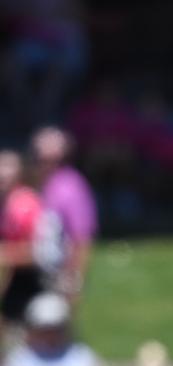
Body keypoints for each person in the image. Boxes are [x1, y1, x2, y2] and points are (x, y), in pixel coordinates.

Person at [29, 126, 98, 305]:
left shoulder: (71, 187)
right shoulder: (34, 184)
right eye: (39, 159)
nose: (44, 165)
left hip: (57, 274)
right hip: (31, 275)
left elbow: (81, 239)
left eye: (52, 160)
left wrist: (73, 285)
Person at [0, 150, 45, 350]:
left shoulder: (24, 203)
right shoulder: (8, 202)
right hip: (16, 284)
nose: (2, 172)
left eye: (8, 166)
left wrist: (4, 254)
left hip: (30, 286)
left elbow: (37, 250)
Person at [2, 291, 101, 366]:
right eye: (43, 330)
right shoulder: (19, 359)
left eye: (54, 329)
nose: (49, 335)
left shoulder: (81, 357)